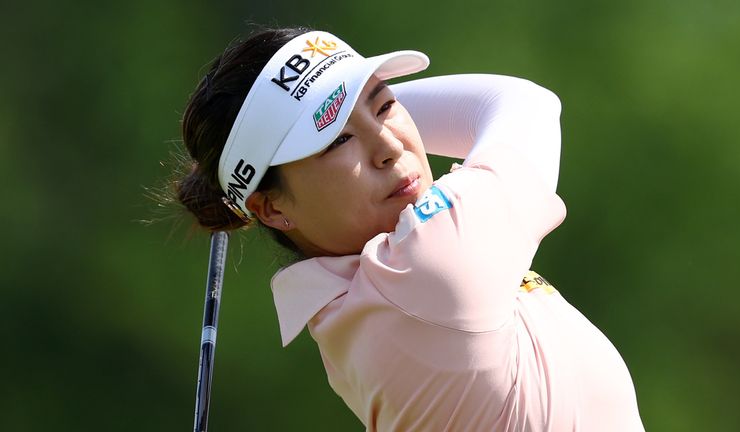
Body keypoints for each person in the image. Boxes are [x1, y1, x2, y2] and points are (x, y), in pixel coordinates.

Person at [175, 27, 645, 431]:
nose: (388, 146)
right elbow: (525, 104)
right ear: (272, 209)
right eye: (336, 140)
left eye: (385, 107)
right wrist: (349, 98)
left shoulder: (351, 308)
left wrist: (332, 104)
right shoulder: (424, 268)